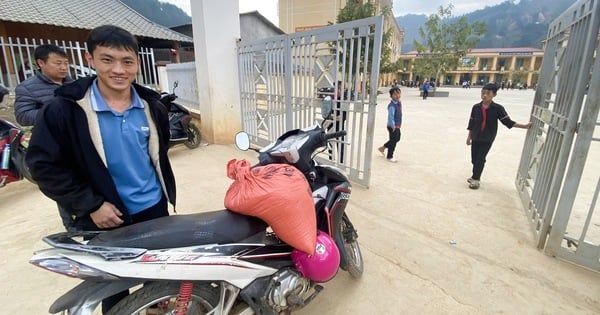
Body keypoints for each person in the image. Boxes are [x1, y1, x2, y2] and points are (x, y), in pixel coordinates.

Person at [25, 24, 176, 313]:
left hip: (154, 208)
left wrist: (162, 197)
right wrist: (91, 204)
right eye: (108, 60)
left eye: (127, 61)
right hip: (105, 215)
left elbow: (158, 153)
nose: (118, 70)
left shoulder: (151, 106)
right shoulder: (64, 109)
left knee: (158, 275)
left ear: (137, 64)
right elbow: (43, 166)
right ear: (90, 59)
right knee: (113, 285)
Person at [466, 83, 532, 189]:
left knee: (480, 158)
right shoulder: (476, 107)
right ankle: (474, 175)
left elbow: (507, 122)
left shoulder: (497, 109)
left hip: (487, 138)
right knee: (474, 159)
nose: (484, 95)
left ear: (494, 95)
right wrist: (469, 137)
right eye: (483, 93)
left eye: (488, 93)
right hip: (476, 136)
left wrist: (524, 126)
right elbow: (471, 122)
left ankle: (476, 179)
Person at [14, 44, 72, 126]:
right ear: (41, 63)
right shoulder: (26, 88)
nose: (63, 67)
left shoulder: (73, 84)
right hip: (50, 134)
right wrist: (52, 112)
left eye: (66, 63)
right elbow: (23, 117)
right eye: (58, 63)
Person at [377, 86, 402, 163]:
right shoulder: (392, 106)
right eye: (395, 94)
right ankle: (390, 156)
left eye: (398, 93)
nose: (397, 95)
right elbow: (390, 117)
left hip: (397, 125)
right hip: (393, 126)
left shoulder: (398, 103)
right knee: (393, 141)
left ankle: (383, 147)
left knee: (397, 139)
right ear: (391, 96)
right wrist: (393, 126)